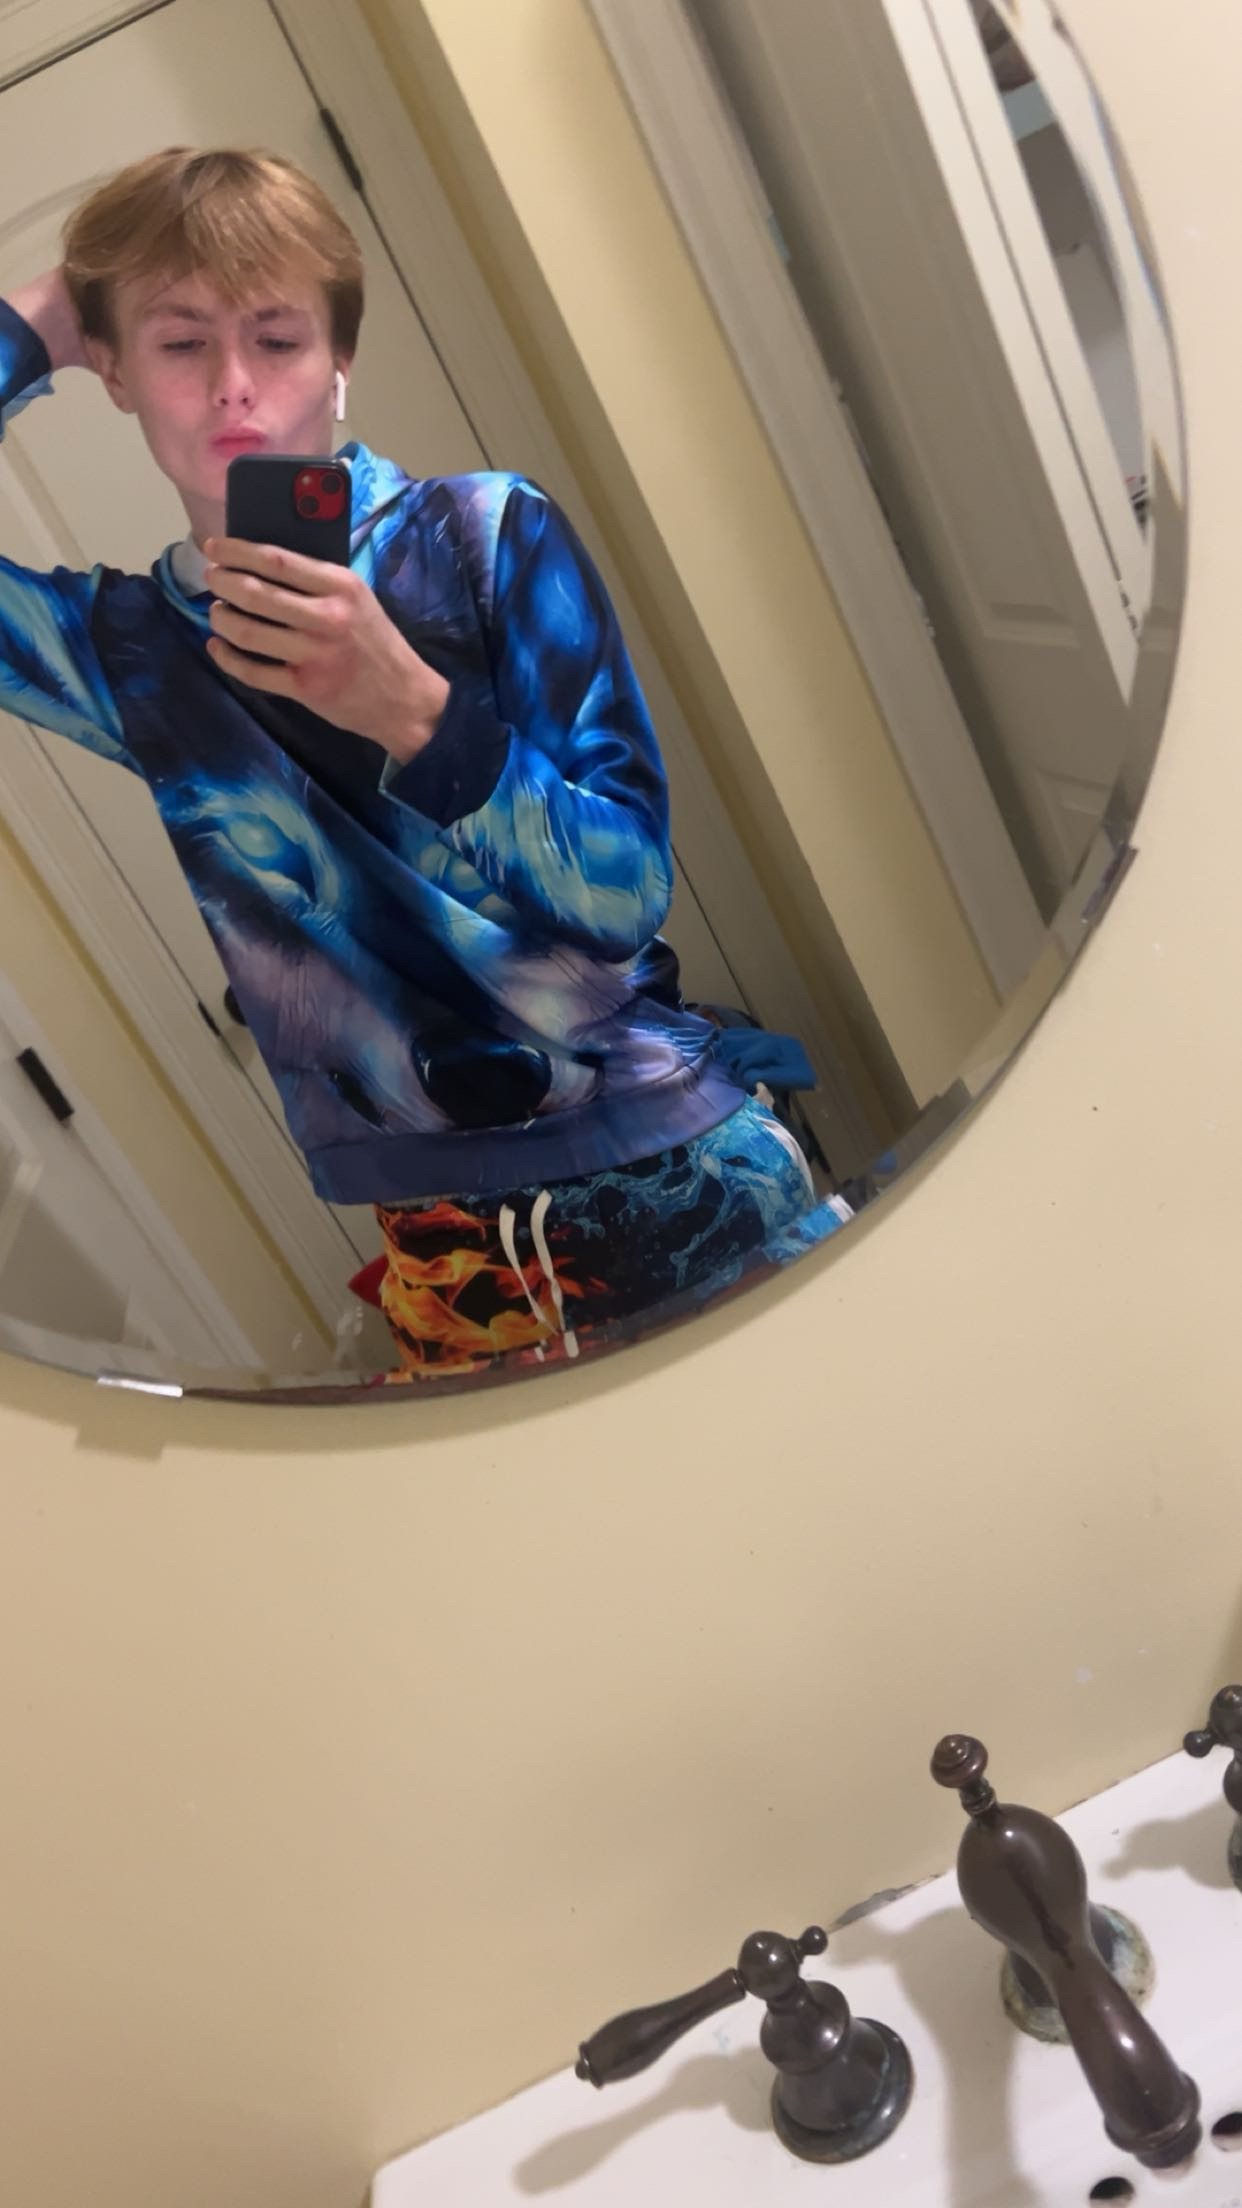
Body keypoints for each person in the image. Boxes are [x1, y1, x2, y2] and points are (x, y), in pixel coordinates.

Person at [0, 146, 816, 1377]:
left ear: (341, 360)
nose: (233, 385)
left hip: (677, 1165)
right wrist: (52, 315)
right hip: (439, 1258)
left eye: (278, 337)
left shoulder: (483, 536)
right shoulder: (131, 653)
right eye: (179, 343)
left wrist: (417, 717)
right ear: (114, 373)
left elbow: (623, 894)